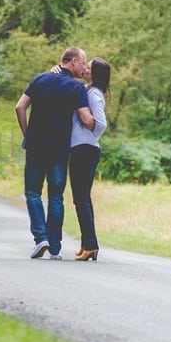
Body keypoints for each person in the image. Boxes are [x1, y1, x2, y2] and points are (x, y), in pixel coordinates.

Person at [15, 47, 95, 260]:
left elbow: (20, 107)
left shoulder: (39, 80)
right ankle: (55, 248)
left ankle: (40, 237)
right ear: (74, 61)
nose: (85, 67)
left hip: (35, 146)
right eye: (83, 63)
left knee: (33, 192)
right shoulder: (75, 88)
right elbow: (86, 119)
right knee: (56, 197)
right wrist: (99, 121)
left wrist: (27, 134)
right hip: (59, 148)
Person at [69, 58, 111, 261]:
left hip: (85, 149)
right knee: (82, 198)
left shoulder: (93, 93)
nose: (84, 68)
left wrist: (89, 136)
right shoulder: (87, 89)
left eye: (89, 66)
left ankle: (91, 245)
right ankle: (88, 243)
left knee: (81, 198)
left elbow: (101, 123)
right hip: (83, 148)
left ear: (95, 73)